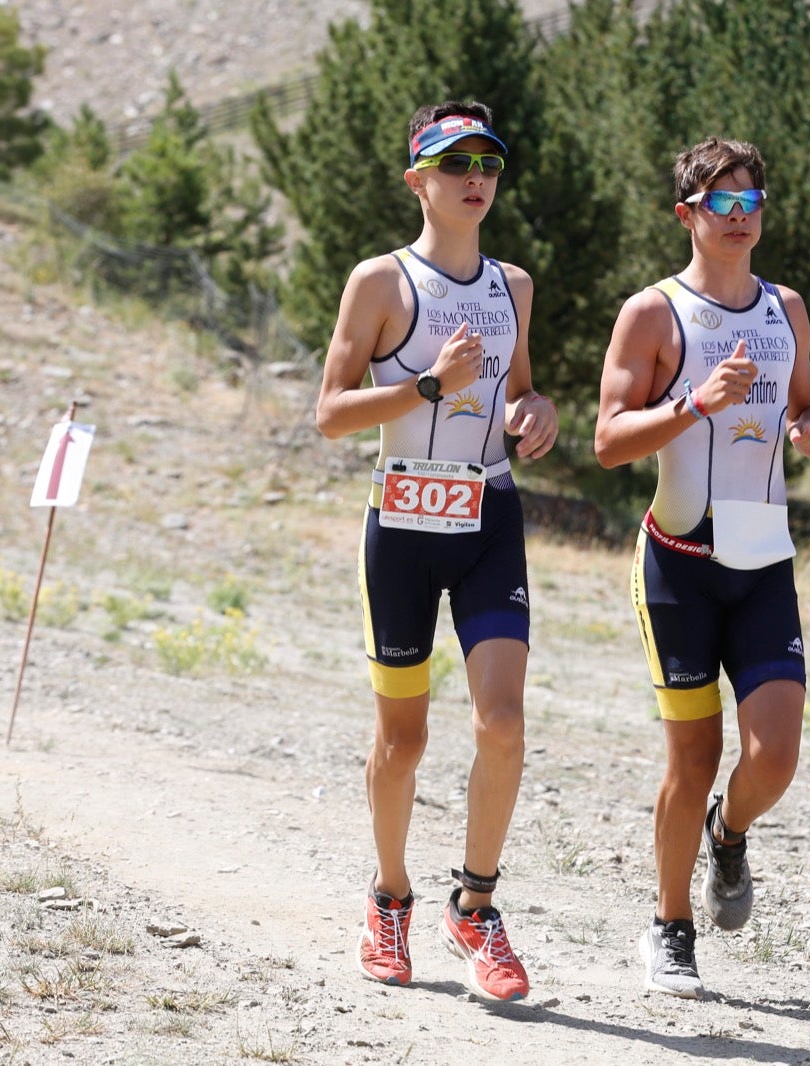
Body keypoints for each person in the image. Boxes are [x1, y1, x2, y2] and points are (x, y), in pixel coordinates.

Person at [314, 100, 557, 1002]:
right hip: (404, 527)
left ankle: (477, 907)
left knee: (503, 723)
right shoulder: (380, 283)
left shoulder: (515, 288)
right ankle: (389, 898)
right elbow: (332, 413)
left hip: (488, 515)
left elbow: (522, 392)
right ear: (417, 178)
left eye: (488, 160)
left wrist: (539, 413)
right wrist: (424, 383)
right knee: (403, 739)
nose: (476, 176)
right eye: (455, 161)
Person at [594, 137, 810, 998]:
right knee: (691, 757)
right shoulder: (654, 314)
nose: (741, 219)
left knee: (773, 757)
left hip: (763, 559)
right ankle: (670, 929)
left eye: (753, 203)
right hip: (679, 567)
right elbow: (608, 441)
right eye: (721, 204)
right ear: (686, 215)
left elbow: (803, 400)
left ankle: (727, 837)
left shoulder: (787, 309)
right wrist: (695, 401)